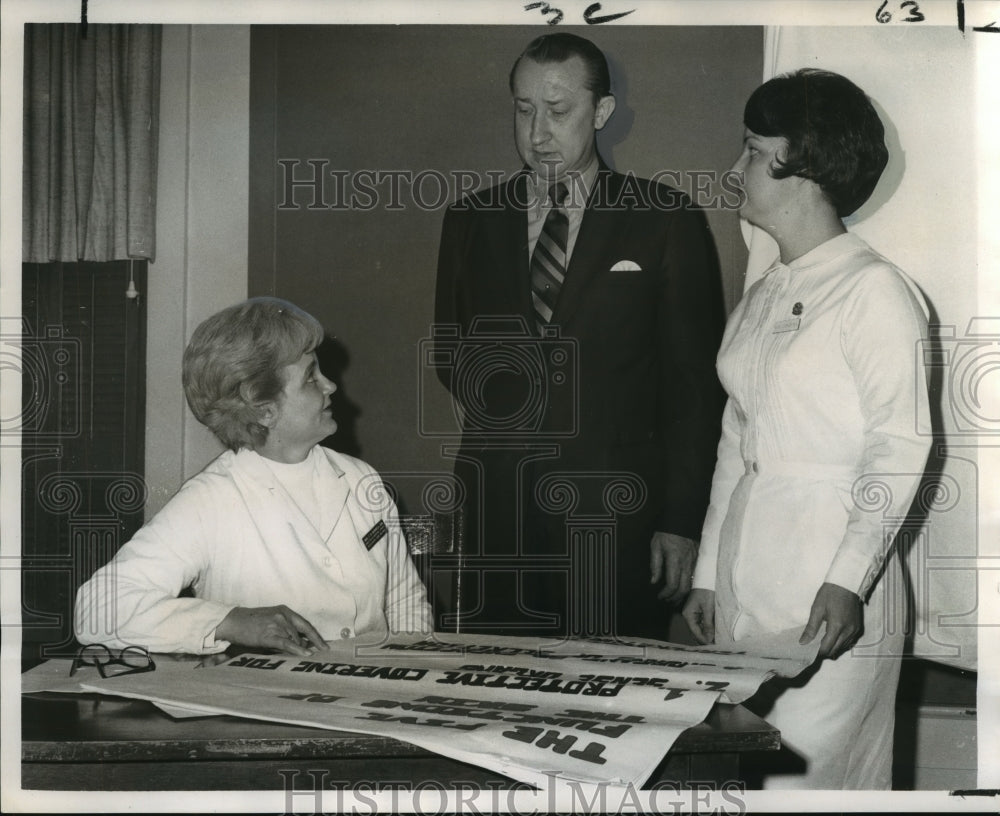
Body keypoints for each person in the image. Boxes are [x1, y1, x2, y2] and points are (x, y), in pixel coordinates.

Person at [682, 69, 931, 789]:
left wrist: (849, 579)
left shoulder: (874, 291)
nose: (738, 168)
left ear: (806, 168)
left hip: (832, 590)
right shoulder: (765, 293)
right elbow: (738, 440)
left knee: (814, 782)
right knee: (748, 774)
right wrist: (707, 573)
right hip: (747, 577)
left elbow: (901, 444)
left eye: (755, 151)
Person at [434, 33, 726, 639]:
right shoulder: (470, 219)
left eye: (558, 110)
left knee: (613, 706)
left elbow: (695, 387)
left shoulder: (664, 219)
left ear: (602, 113)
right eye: (523, 109)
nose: (537, 132)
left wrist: (682, 522)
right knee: (494, 700)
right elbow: (449, 353)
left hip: (618, 523)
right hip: (498, 518)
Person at [74, 297, 432, 656]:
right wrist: (228, 621)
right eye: (311, 377)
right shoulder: (211, 499)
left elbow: (404, 601)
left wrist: (410, 674)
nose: (330, 386)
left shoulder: (360, 479)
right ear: (264, 410)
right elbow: (98, 609)